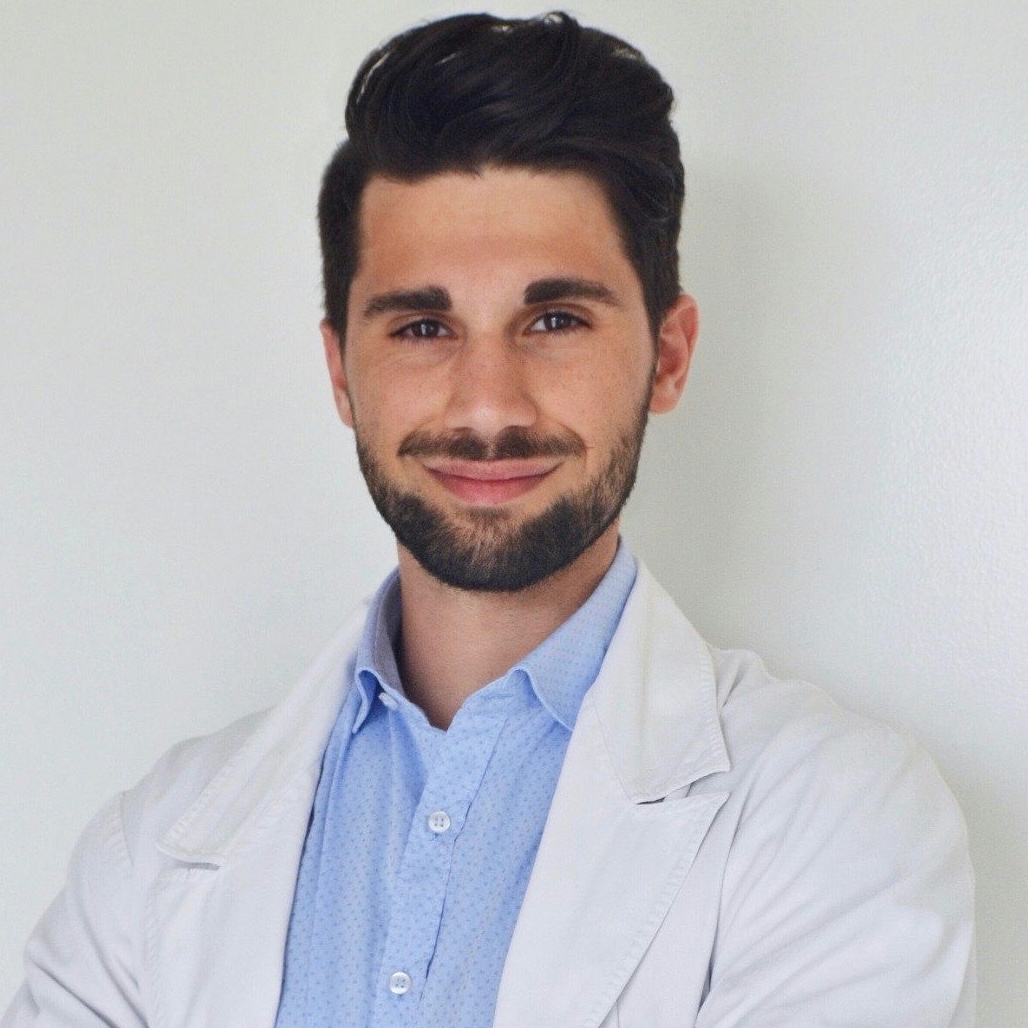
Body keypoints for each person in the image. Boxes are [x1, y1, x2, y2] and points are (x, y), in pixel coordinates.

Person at [3, 12, 974, 1028]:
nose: (486, 406)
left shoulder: (839, 820)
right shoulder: (148, 849)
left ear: (669, 355)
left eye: (553, 320)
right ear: (341, 372)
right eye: (423, 326)